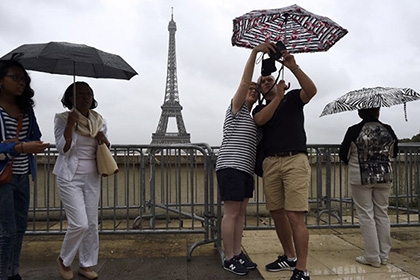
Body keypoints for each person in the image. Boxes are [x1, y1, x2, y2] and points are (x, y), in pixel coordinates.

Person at [252, 47, 317, 280]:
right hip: (271, 163)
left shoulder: (292, 98)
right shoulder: (260, 107)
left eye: (270, 78)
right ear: (259, 88)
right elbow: (260, 120)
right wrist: (277, 96)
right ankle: (289, 256)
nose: (267, 82)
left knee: (294, 216)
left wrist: (293, 66)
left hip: (294, 161)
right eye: (263, 81)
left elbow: (312, 91)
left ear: (278, 79)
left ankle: (301, 268)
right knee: (277, 213)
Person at [215, 42, 276, 276]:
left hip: (245, 170)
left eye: (255, 89)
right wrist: (255, 53)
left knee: (240, 214)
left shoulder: (255, 120)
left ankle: (237, 253)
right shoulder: (235, 110)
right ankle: (229, 257)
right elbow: (244, 81)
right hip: (230, 166)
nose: (251, 90)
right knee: (231, 213)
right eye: (249, 88)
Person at [53, 81, 110, 280]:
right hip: (69, 176)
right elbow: (62, 149)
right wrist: (70, 125)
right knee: (80, 224)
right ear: (70, 98)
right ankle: (64, 260)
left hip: (92, 176)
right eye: (80, 93)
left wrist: (103, 137)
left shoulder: (98, 121)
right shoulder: (62, 118)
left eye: (89, 93)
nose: (86, 96)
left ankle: (86, 264)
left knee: (92, 224)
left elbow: (105, 147)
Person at [0, 60, 49, 280]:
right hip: (2, 177)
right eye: (15, 77)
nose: (21, 82)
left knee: (19, 228)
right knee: (7, 231)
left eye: (24, 79)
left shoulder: (26, 110)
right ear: (1, 80)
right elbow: (21, 144)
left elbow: (35, 136)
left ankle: (14, 272)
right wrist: (17, 146)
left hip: (21, 175)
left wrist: (26, 144)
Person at [339, 107, 398, 268]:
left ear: (359, 113)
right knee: (382, 214)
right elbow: (394, 153)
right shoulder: (388, 130)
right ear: (378, 111)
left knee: (366, 215)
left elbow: (343, 154)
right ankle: (384, 255)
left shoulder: (354, 130)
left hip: (360, 176)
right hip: (384, 176)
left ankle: (372, 256)